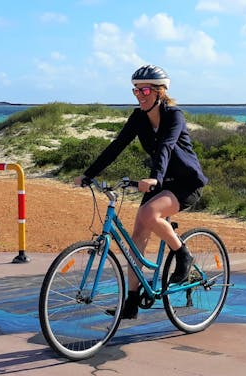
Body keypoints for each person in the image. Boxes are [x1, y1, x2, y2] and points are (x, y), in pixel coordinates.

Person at [73, 64, 209, 320]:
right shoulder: (138, 117)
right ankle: (132, 301)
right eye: (135, 90)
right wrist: (89, 173)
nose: (139, 94)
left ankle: (183, 254)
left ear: (160, 91)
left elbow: (166, 148)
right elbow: (116, 146)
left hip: (185, 182)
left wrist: (155, 178)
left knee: (148, 212)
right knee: (138, 236)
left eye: (145, 89)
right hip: (160, 183)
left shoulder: (174, 116)